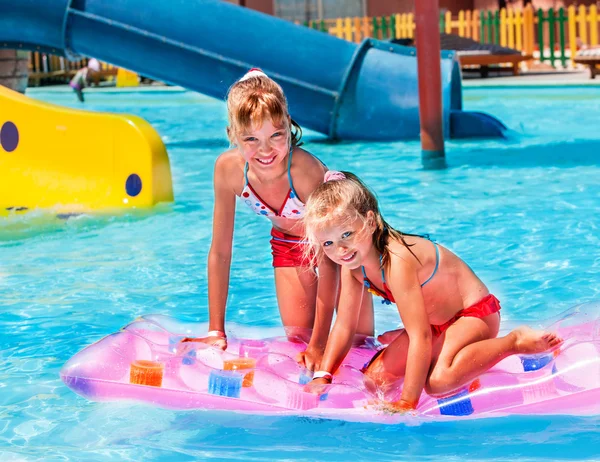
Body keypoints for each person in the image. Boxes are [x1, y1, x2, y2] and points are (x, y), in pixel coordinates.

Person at [302, 171, 562, 411]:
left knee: (438, 382)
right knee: (375, 380)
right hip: (433, 325)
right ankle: (429, 345)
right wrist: (323, 376)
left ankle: (514, 341)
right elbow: (345, 325)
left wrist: (407, 402)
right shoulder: (354, 266)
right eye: (329, 243)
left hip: (472, 316)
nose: (341, 249)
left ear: (370, 222)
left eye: (347, 234)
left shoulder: (398, 260)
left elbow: (420, 337)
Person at [182, 71, 373, 370]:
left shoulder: (305, 171)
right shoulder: (227, 171)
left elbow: (329, 258)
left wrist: (320, 345)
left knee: (361, 344)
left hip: (343, 248)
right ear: (233, 135)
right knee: (298, 338)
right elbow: (220, 253)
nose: (266, 150)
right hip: (289, 245)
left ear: (288, 126)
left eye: (276, 135)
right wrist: (215, 331)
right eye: (251, 139)